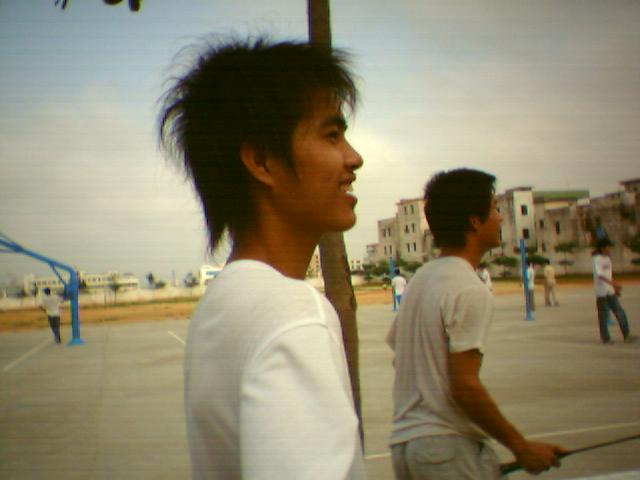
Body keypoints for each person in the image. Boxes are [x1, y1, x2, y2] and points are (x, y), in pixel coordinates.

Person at [158, 37, 365, 479]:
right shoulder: (294, 314)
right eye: (332, 135)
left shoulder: (221, 304)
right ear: (263, 161)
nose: (354, 158)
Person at [387, 168, 565, 479]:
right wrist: (521, 447)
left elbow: (398, 355)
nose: (499, 218)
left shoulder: (422, 279)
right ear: (474, 221)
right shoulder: (468, 288)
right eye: (494, 209)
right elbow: (465, 386)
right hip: (446, 449)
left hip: (408, 447)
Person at [592, 238, 634, 344]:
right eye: (607, 247)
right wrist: (614, 284)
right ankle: (606, 338)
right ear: (602, 248)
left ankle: (626, 335)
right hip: (601, 292)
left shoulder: (607, 259)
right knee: (603, 315)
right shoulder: (597, 259)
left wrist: (614, 288)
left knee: (620, 312)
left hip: (610, 291)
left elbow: (609, 275)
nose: (609, 249)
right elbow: (600, 275)